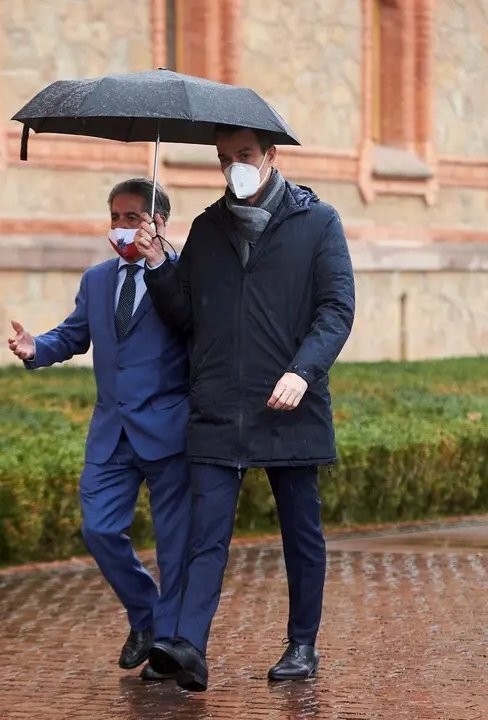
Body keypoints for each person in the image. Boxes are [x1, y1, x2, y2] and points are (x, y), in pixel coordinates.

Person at [133, 125, 356, 691]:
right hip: (218, 405)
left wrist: (302, 372)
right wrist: (159, 263)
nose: (235, 165)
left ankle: (302, 645)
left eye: (245, 155)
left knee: (301, 534)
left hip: (289, 406)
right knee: (204, 536)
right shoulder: (206, 229)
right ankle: (187, 647)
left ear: (270, 156)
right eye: (225, 158)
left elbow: (336, 310)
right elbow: (185, 315)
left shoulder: (318, 223)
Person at [8, 178, 192, 682]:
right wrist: (36, 348)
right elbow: (73, 335)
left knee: (175, 546)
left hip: (169, 431)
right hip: (111, 432)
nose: (120, 226)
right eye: (114, 216)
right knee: (99, 529)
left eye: (131, 217)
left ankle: (171, 645)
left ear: (158, 222)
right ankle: (146, 615)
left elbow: (195, 331)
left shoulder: (185, 277)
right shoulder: (96, 280)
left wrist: (159, 267)